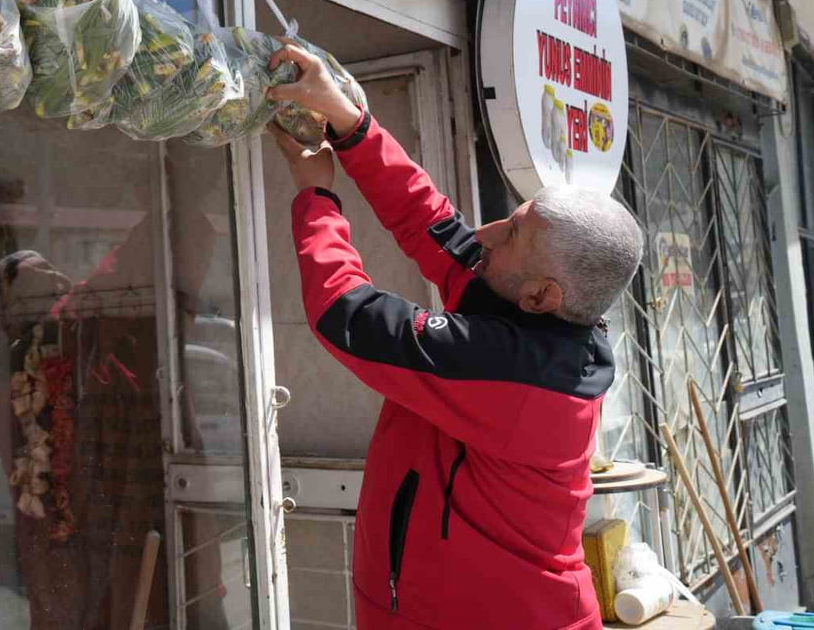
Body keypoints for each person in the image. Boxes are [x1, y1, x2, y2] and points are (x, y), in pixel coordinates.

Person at [266, 43, 643, 630]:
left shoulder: (517, 376)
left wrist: (316, 193)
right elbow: (432, 223)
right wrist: (349, 123)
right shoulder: (531, 308)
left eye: (513, 234)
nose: (486, 233)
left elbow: (348, 315)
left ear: (543, 295)